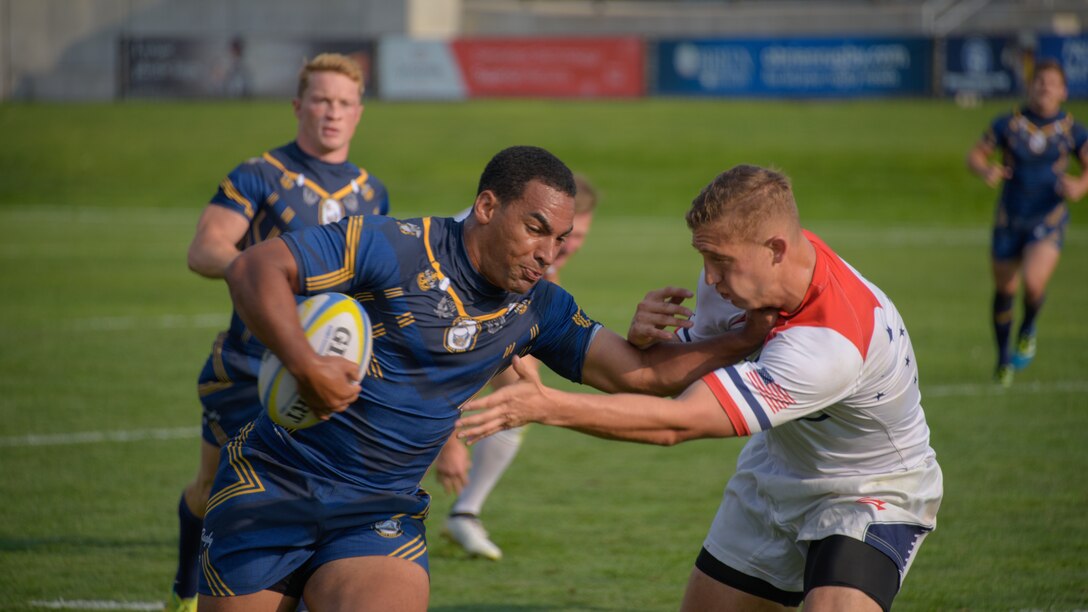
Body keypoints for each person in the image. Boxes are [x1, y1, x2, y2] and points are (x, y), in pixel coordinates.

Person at [197, 146, 772, 611]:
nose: (548, 253)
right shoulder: (391, 246)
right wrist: (306, 365)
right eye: (536, 229)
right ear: (488, 206)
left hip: (377, 512)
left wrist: (743, 339)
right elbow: (255, 267)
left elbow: (643, 374)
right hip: (272, 486)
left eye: (560, 240)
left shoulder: (540, 308)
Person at [460, 165, 943, 612]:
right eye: (704, 257)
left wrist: (545, 405)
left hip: (868, 490)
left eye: (720, 261)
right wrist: (644, 344)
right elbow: (662, 379)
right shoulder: (746, 273)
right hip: (776, 471)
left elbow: (679, 423)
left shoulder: (827, 347)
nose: (709, 278)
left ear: (775, 249)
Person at [165, 52, 389, 612]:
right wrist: (272, 272)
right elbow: (206, 249)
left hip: (331, 369)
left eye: (343, 103)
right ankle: (186, 589)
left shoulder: (371, 192)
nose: (331, 112)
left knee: (311, 497)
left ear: (359, 112)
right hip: (249, 367)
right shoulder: (258, 174)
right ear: (298, 106)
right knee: (213, 490)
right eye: (320, 99)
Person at [435, 174, 599, 561]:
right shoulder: (479, 250)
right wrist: (447, 443)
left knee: (522, 394)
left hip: (468, 335)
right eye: (565, 235)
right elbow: (440, 358)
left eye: (575, 237)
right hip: (421, 348)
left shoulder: (539, 248)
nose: (567, 247)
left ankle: (464, 511)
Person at [966, 58, 1088, 387]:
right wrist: (986, 169)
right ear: (1030, 86)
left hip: (1048, 219)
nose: (1044, 87)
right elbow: (975, 155)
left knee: (1033, 284)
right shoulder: (1009, 123)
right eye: (1039, 81)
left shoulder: (1072, 130)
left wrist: (1079, 185)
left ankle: (1029, 326)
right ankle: (1003, 357)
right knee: (1005, 289)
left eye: (1051, 82)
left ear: (1063, 90)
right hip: (1009, 217)